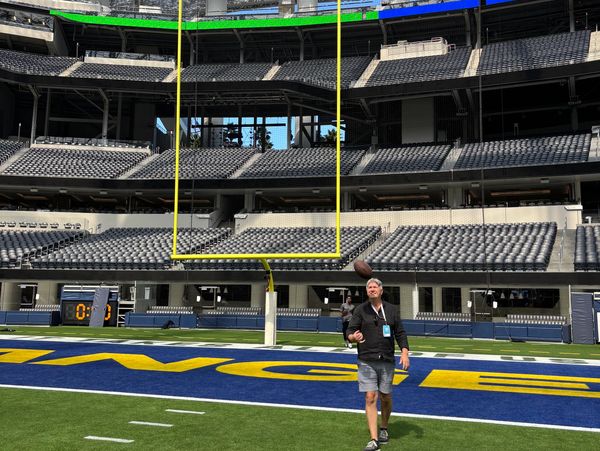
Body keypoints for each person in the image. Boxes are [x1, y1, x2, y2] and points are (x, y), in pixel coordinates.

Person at [346, 278, 410, 451]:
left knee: (385, 397)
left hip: (386, 359)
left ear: (381, 290)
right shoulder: (360, 310)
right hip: (366, 359)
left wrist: (404, 352)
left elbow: (400, 333)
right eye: (369, 287)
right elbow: (350, 331)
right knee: (370, 397)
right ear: (367, 291)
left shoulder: (391, 310)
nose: (372, 289)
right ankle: (374, 440)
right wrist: (353, 337)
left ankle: (384, 427)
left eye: (375, 287)